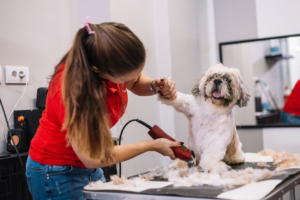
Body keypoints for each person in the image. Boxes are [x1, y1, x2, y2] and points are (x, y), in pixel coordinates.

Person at [25, 17, 181, 199]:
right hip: (56, 171)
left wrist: (155, 86)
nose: (132, 80)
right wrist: (151, 145)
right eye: (125, 78)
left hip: (88, 166)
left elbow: (136, 81)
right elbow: (91, 156)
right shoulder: (71, 89)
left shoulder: (106, 63)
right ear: (97, 70)